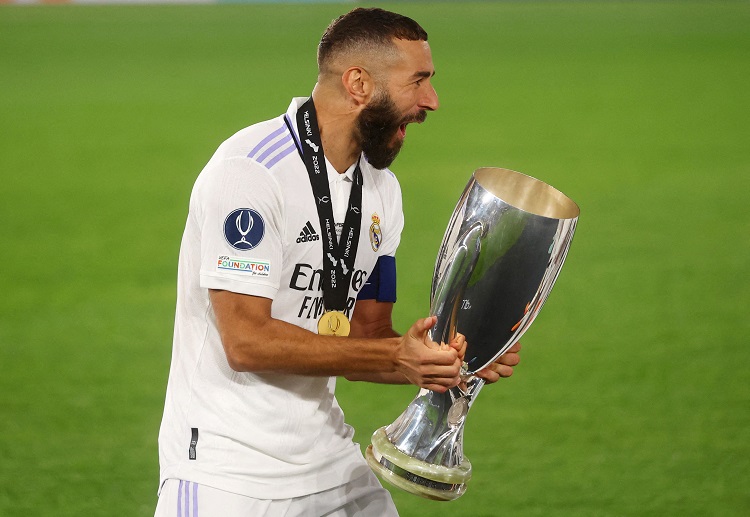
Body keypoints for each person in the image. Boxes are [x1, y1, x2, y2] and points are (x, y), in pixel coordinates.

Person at [155, 7, 521, 516]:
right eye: (418, 81)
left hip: (329, 463)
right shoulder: (251, 173)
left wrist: (451, 359)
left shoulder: (382, 191)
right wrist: (397, 358)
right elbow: (246, 341)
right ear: (358, 84)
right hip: (228, 474)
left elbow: (369, 337)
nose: (431, 102)